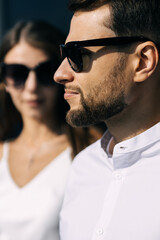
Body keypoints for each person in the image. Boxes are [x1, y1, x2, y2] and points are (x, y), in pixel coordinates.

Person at [54, 0, 160, 239]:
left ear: (143, 61)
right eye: (64, 53)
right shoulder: (82, 167)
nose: (60, 73)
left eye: (78, 54)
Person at [0, 20, 102, 240]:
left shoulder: (92, 146)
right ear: (4, 82)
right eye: (17, 73)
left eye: (45, 71)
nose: (31, 86)